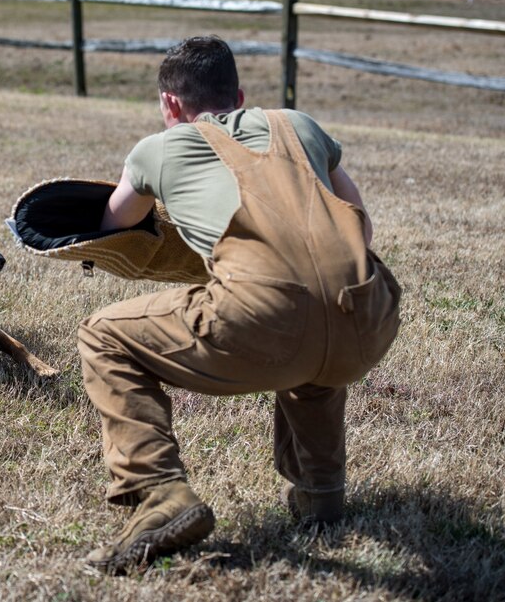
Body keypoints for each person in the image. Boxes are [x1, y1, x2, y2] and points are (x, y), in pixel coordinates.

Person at [76, 36, 401, 573]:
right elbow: (358, 223)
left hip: (266, 321)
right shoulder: (300, 125)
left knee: (102, 333)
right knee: (312, 320)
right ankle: (321, 494)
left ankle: (159, 494)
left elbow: (113, 228)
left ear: (170, 105)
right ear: (241, 95)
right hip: (368, 314)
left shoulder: (158, 147)